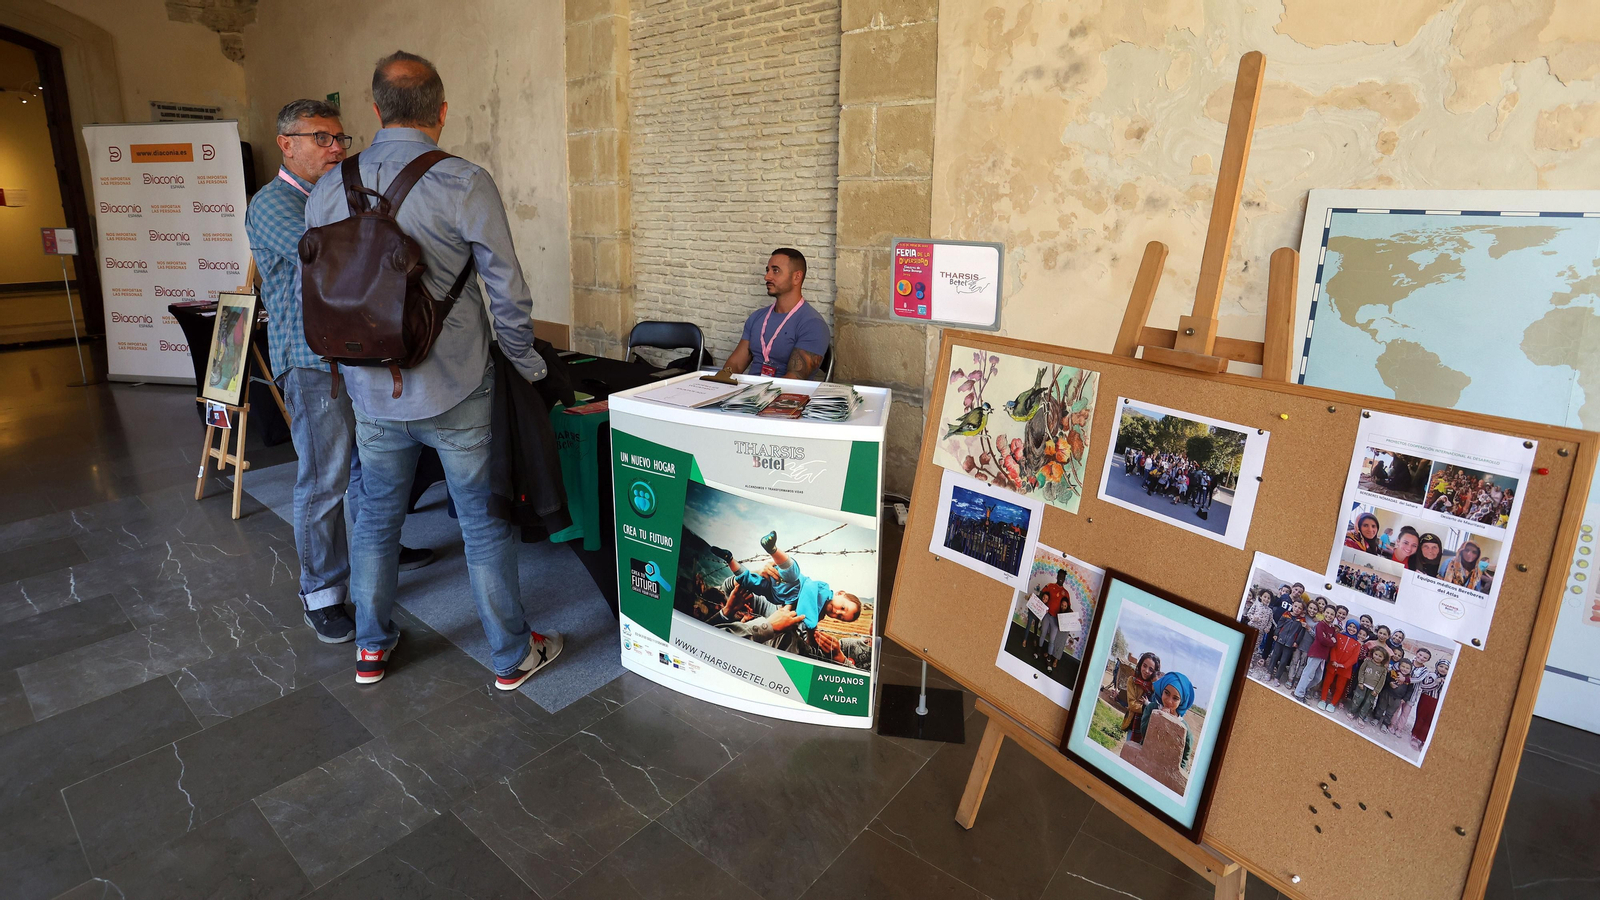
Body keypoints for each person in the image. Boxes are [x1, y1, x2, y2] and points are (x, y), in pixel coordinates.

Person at [304, 51, 563, 688]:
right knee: (483, 522)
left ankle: (370, 646)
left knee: (376, 519)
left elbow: (317, 290)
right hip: (457, 387)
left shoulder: (328, 188)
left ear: (373, 110)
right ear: (442, 112)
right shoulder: (463, 181)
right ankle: (510, 655)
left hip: (369, 390)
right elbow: (508, 291)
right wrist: (528, 365)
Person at [245, 98, 436, 645]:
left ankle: (378, 548)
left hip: (357, 357)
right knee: (324, 480)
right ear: (287, 143)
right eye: (321, 138)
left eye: (340, 138)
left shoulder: (332, 195)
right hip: (310, 365)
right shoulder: (274, 202)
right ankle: (323, 593)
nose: (336, 148)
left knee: (368, 470)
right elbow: (336, 256)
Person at [713, 530, 862, 632]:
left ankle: (729, 559)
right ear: (840, 593)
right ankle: (773, 549)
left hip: (774, 594)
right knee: (792, 573)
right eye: (842, 608)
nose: (836, 612)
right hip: (792, 586)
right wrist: (759, 571)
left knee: (753, 583)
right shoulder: (822, 590)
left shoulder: (817, 617)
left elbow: (799, 629)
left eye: (840, 617)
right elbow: (809, 589)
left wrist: (810, 628)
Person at [723, 249, 830, 379]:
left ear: (796, 277)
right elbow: (735, 364)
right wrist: (721, 382)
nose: (767, 277)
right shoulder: (757, 317)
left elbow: (793, 380)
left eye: (776, 270)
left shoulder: (813, 324)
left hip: (782, 396)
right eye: (767, 270)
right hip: (747, 393)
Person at [1134, 672, 1195, 771]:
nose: (1169, 701)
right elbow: (1144, 732)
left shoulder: (1184, 727)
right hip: (1144, 760)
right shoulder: (1151, 708)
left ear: (1182, 702)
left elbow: (1184, 757)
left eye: (1175, 698)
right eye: (1166, 693)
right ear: (1162, 690)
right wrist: (1159, 718)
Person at [1293, 608, 1338, 702]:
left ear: (1334, 616)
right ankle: (1299, 693)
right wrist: (1330, 641)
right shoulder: (1320, 624)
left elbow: (1335, 642)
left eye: (1332, 614)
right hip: (1316, 652)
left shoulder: (1332, 628)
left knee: (1318, 678)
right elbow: (1321, 639)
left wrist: (1329, 640)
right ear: (1324, 613)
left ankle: (1301, 688)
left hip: (1323, 656)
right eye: (1327, 613)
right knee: (1308, 673)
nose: (1329, 615)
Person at [1319, 620, 1363, 712]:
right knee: (1327, 682)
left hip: (1345, 669)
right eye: (1350, 626)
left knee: (1340, 687)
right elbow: (1333, 649)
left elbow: (1354, 658)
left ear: (1357, 630)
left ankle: (1333, 703)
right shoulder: (1338, 636)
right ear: (1346, 626)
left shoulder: (1358, 644)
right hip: (1333, 664)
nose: (1351, 629)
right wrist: (1334, 660)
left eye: (1354, 628)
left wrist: (1344, 665)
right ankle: (1323, 699)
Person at [1118, 652, 1160, 734]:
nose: (1146, 671)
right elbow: (1132, 704)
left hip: (1148, 725)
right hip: (1133, 722)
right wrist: (1147, 708)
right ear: (1140, 664)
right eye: (1144, 666)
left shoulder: (1155, 686)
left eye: (1151, 669)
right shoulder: (1132, 681)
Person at [1266, 600, 1306, 686]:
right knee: (1274, 656)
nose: (1297, 609)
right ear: (1292, 605)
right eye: (1295, 606)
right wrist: (1276, 634)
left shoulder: (1302, 620)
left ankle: (1277, 678)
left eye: (1300, 608)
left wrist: (1296, 642)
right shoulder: (1286, 614)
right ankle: (1269, 672)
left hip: (1290, 643)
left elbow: (1301, 633)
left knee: (1284, 661)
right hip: (1280, 639)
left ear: (1302, 610)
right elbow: (1279, 625)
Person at [1348, 645, 1392, 722]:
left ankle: (1361, 717)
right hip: (1363, 685)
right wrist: (1360, 682)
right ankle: (1352, 712)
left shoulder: (1383, 669)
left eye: (1380, 656)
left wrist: (1377, 690)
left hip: (1373, 689)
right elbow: (1361, 671)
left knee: (1368, 703)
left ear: (1384, 658)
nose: (1377, 657)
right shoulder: (1367, 662)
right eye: (1376, 654)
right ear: (1372, 653)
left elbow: (1382, 680)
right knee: (1358, 699)